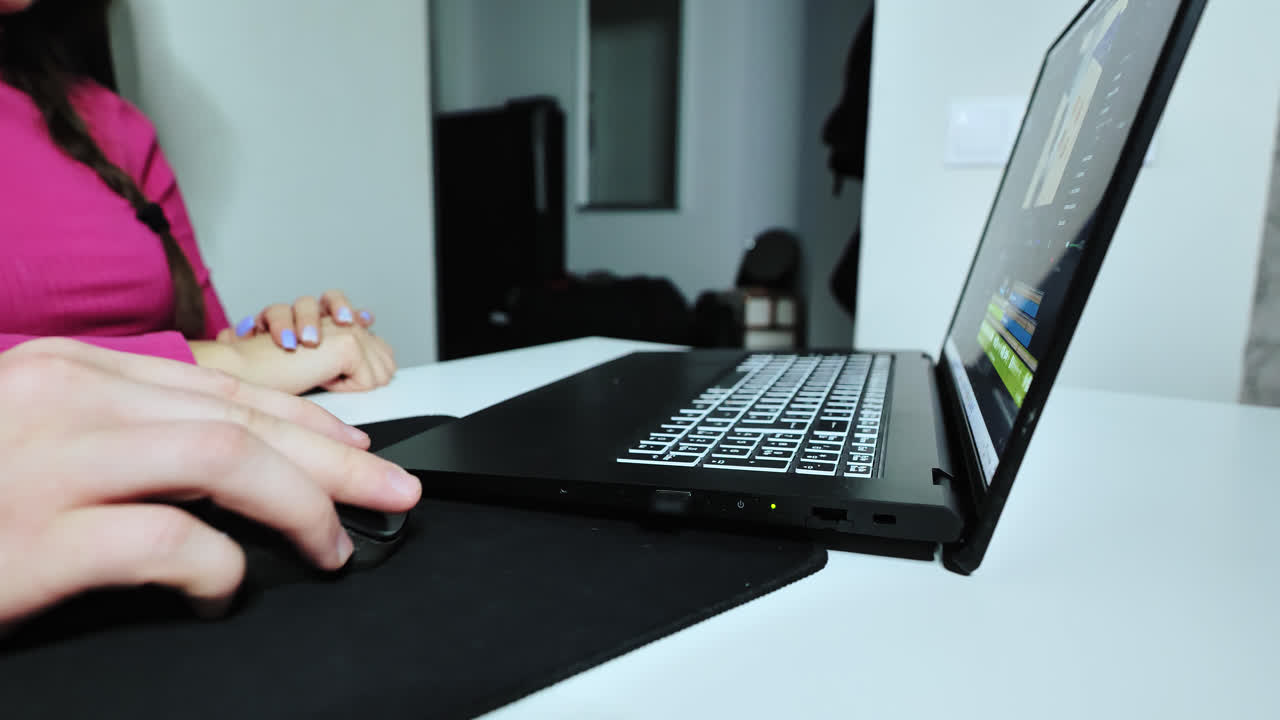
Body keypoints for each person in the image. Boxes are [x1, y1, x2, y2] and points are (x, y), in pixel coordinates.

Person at [0, 0, 395, 395]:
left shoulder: (110, 123)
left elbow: (217, 351)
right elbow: (221, 367)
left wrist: (289, 341)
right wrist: (231, 364)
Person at [0, 337, 423, 632]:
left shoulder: (142, 202)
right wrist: (225, 358)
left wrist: (267, 337)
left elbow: (192, 315)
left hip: (184, 426)